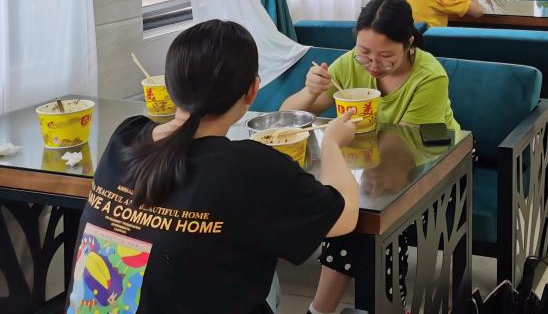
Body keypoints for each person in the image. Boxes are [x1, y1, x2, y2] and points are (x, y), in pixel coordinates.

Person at [64, 20, 361, 314]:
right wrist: (332, 142)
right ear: (252, 90)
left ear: (170, 87)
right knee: (266, 279)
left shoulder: (126, 136)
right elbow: (344, 217)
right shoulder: (249, 167)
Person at [281, 0, 458, 314]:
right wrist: (310, 91)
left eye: (386, 56)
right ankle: (368, 307)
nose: (373, 65)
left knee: (378, 213)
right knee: (351, 208)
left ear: (409, 43)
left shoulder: (430, 76)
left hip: (435, 163)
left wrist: (339, 147)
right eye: (365, 52)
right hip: (372, 162)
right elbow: (287, 116)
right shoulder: (350, 63)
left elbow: (399, 150)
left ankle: (333, 309)